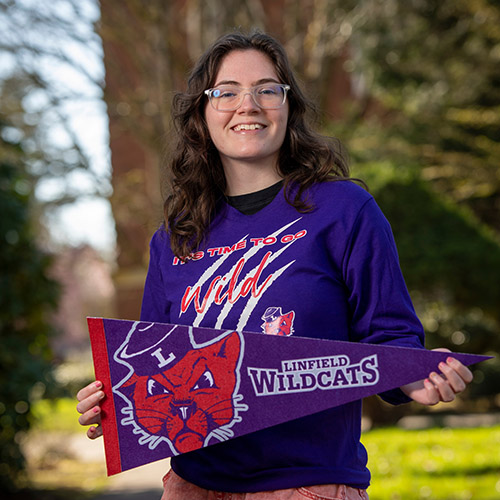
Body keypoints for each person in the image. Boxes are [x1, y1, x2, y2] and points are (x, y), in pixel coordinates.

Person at [77, 30, 473, 499]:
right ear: (203, 115)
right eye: (227, 92)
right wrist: (113, 402)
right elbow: (155, 364)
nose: (249, 104)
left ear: (288, 108)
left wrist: (414, 380)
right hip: (194, 486)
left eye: (267, 89)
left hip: (308, 484)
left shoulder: (344, 210)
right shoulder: (173, 239)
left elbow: (390, 335)